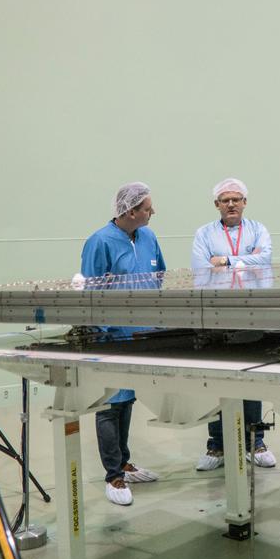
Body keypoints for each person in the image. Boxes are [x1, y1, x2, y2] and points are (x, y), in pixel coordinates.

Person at [80, 181, 164, 506]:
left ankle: (124, 463)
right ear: (130, 211)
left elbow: (160, 277)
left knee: (127, 400)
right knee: (110, 405)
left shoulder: (149, 238)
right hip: (111, 337)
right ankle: (113, 475)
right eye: (147, 208)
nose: (152, 212)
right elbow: (90, 292)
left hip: (142, 336)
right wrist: (100, 334)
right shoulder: (100, 242)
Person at [191, 178, 276, 471]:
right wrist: (246, 259)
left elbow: (265, 259)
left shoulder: (258, 229)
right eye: (225, 200)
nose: (231, 204)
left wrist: (225, 260)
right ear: (217, 204)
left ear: (244, 203)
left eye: (236, 199)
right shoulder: (204, 234)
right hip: (217, 315)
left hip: (251, 313)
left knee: (251, 376)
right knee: (218, 378)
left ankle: (255, 441)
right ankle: (217, 445)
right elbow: (201, 267)